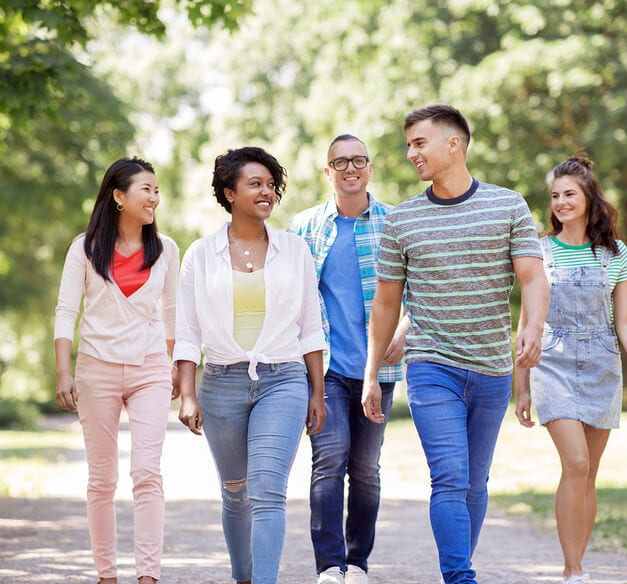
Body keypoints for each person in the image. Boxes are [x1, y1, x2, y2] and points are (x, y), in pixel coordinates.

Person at [361, 104, 550, 584]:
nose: (410, 154)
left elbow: (532, 277)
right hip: (430, 365)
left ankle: (458, 568)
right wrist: (370, 374)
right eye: (408, 145)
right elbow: (386, 304)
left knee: (474, 483)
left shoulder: (507, 205)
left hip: (491, 368)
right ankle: (459, 577)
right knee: (449, 477)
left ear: (455, 144)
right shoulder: (402, 220)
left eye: (419, 143)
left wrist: (533, 326)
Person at [174, 146, 327, 584]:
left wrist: (317, 391)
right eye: (254, 184)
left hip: (284, 379)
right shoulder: (200, 255)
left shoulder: (294, 250)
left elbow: (310, 327)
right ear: (230, 193)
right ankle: (243, 577)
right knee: (236, 492)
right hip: (221, 382)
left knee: (267, 491)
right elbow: (187, 333)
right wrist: (187, 393)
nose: (267, 192)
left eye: (270, 185)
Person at [514, 154, 627, 584]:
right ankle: (571, 570)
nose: (560, 202)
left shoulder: (615, 254)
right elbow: (524, 324)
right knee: (575, 463)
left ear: (589, 197)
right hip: (551, 364)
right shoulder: (537, 251)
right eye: (555, 196)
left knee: (588, 473)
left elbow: (626, 320)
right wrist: (521, 387)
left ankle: (579, 562)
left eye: (569, 194)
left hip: (602, 366)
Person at [288, 134, 409, 584]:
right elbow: (289, 297)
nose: (350, 168)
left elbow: (421, 286)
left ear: (370, 167)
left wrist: (407, 326)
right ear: (327, 171)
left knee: (365, 468)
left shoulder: (396, 222)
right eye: (340, 162)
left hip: (379, 370)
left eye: (358, 160)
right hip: (327, 369)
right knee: (329, 458)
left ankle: (357, 562)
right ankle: (329, 566)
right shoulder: (303, 228)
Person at [54, 157, 179, 584]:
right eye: (146, 189)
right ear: (118, 196)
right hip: (96, 371)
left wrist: (179, 366)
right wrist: (62, 372)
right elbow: (66, 311)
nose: (155, 197)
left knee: (147, 472)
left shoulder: (167, 250)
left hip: (150, 370)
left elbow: (173, 313)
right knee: (102, 479)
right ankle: (107, 577)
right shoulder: (84, 248)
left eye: (157, 190)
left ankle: (148, 577)